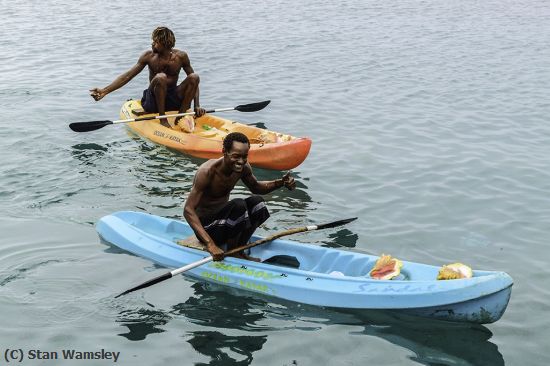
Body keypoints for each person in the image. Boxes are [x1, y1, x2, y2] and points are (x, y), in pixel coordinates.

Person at [183, 132, 296, 262]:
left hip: (225, 224)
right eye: (236, 156)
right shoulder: (207, 172)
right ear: (224, 151)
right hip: (208, 229)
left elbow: (257, 188)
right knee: (238, 205)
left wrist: (280, 183)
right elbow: (188, 210)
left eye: (244, 157)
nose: (241, 162)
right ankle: (233, 253)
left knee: (258, 203)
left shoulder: (243, 168)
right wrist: (210, 245)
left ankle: (239, 250)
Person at [90, 26, 205, 130]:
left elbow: (194, 83)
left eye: (155, 42)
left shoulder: (181, 56)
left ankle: (181, 116)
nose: (152, 44)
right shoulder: (149, 56)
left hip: (173, 99)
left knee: (194, 77)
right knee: (161, 77)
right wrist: (105, 91)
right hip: (153, 101)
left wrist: (197, 106)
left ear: (164, 44)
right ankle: (162, 119)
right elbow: (127, 76)